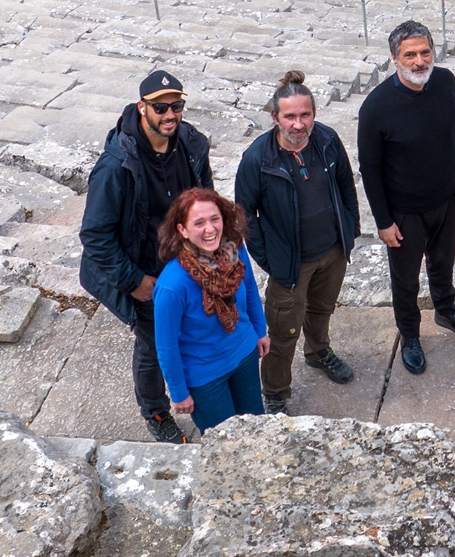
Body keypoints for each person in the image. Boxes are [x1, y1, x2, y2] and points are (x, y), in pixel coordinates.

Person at [79, 70, 213, 445]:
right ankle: (155, 411)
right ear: (142, 108)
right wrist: (134, 281)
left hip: (185, 262)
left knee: (192, 331)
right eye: (160, 107)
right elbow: (94, 236)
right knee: (154, 343)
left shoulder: (191, 144)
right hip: (142, 270)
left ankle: (198, 393)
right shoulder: (115, 166)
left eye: (176, 106)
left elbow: (207, 199)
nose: (170, 114)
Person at [357, 22, 455, 376]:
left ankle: (446, 310)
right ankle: (410, 334)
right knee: (406, 279)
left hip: (445, 200)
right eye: (410, 54)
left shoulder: (445, 81)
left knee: (443, 263)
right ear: (394, 59)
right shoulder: (376, 107)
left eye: (425, 52)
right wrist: (383, 221)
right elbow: (371, 168)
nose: (420, 60)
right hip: (404, 212)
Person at [234, 70, 358, 415]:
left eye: (305, 115)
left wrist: (348, 231)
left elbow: (347, 188)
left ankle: (319, 352)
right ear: (275, 117)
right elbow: (244, 218)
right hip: (290, 263)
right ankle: (274, 391)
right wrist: (271, 261)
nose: (299, 124)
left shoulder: (328, 140)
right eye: (290, 116)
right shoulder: (257, 159)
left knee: (322, 310)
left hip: (332, 252)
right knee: (283, 330)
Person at [150, 189, 268, 432]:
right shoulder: (172, 286)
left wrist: (260, 330)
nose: (210, 229)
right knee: (225, 446)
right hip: (205, 377)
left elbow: (250, 287)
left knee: (257, 428)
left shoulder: (235, 250)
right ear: (182, 230)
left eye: (215, 219)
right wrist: (179, 392)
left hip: (245, 354)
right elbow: (166, 345)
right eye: (199, 223)